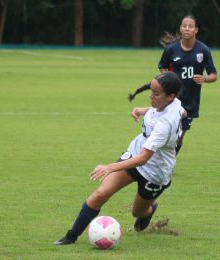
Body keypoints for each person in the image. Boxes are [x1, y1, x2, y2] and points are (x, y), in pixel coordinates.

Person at [54, 71, 186, 245]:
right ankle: (71, 237)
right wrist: (145, 111)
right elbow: (182, 113)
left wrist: (110, 167)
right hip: (134, 153)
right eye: (151, 91)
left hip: (155, 172)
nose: (151, 96)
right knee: (101, 193)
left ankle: (149, 210)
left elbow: (144, 159)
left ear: (170, 96)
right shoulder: (175, 104)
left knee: (137, 212)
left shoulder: (164, 125)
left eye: (156, 93)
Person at [158, 15, 218, 154]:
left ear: (196, 30)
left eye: (190, 26)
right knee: (167, 132)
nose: (187, 29)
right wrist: (168, 79)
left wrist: (205, 79)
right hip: (172, 98)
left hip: (191, 100)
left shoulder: (203, 50)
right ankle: (166, 161)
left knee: (179, 136)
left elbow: (214, 75)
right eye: (184, 26)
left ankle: (171, 156)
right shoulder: (171, 49)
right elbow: (162, 66)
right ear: (180, 28)